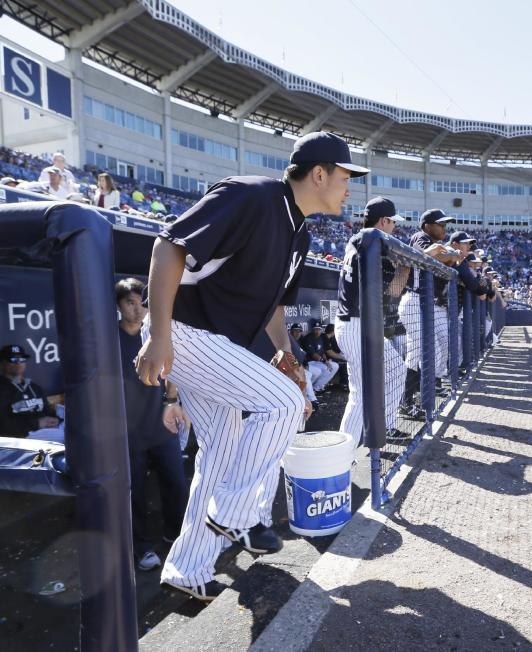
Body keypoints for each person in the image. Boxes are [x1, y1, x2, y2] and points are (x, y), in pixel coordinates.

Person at [134, 131, 367, 602]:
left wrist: (286, 354)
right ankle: (239, 513)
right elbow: (168, 248)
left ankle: (188, 568)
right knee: (284, 402)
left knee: (221, 450)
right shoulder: (253, 196)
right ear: (318, 174)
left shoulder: (299, 231)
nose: (348, 187)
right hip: (181, 331)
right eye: (345, 176)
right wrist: (158, 335)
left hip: (214, 341)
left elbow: (276, 309)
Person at [116, 278, 189, 572]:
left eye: (142, 302)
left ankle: (174, 535)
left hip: (161, 427)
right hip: (127, 432)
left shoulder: (157, 334)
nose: (137, 309)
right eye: (130, 303)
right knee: (135, 493)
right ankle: (141, 547)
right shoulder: (109, 340)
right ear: (119, 306)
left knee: (176, 484)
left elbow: (174, 369)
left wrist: (171, 399)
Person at [335, 196, 410, 447]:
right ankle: (341, 458)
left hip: (362, 325)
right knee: (360, 393)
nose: (395, 228)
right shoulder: (368, 237)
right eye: (392, 223)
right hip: (353, 323)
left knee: (397, 370)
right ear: (383, 220)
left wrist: (405, 265)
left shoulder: (366, 241)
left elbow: (391, 293)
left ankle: (385, 427)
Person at [398, 209, 461, 418]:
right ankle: (417, 397)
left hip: (424, 303)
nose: (444, 228)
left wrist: (448, 254)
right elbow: (438, 255)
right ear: (427, 226)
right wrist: (448, 254)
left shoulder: (432, 239)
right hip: (414, 300)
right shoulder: (420, 237)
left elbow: (450, 258)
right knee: (429, 352)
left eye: (445, 225)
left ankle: (408, 400)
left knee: (417, 355)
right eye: (440, 224)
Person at [0, 344, 61, 441]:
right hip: (20, 438)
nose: (19, 363)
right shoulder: (2, 390)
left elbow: (47, 411)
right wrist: (36, 423)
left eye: (22, 359)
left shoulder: (35, 388)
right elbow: (4, 426)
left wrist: (55, 419)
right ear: (2, 363)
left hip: (46, 432)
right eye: (13, 359)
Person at [298, 321, 338, 395]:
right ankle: (313, 388)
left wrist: (326, 360)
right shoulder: (308, 338)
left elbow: (322, 352)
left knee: (334, 366)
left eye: (319, 329)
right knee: (324, 369)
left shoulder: (321, 338)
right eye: (315, 329)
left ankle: (317, 387)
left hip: (318, 362)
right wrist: (325, 362)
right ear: (312, 330)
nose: (317, 331)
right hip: (310, 362)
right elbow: (314, 355)